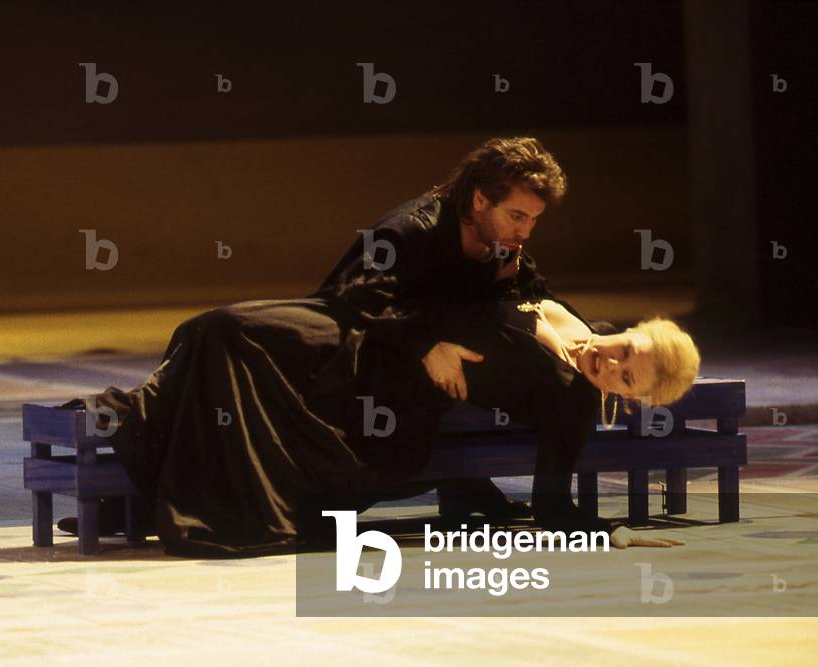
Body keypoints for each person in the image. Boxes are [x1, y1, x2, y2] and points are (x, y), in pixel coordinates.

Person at [57, 137, 695, 555]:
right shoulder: (427, 229)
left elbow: (555, 499)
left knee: (224, 334)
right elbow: (359, 293)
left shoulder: (564, 377)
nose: (611, 363)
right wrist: (431, 343)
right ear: (480, 199)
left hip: (389, 376)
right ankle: (136, 460)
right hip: (355, 325)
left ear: (628, 399)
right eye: (518, 217)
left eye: (626, 380)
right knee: (217, 328)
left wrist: (611, 532)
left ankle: (137, 483)